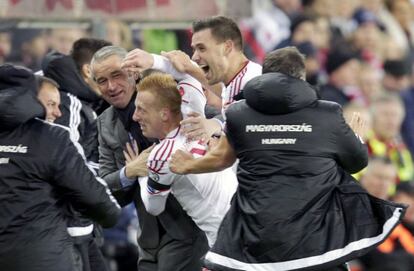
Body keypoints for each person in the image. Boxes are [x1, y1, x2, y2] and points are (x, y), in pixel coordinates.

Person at [170, 47, 406, 271]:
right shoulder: (329, 113)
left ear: (265, 75)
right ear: (301, 78)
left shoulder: (238, 114)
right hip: (316, 242)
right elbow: (357, 163)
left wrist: (189, 165)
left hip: (254, 240)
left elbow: (222, 158)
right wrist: (355, 137)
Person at [91, 45, 209, 271]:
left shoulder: (169, 97)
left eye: (117, 75)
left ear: (134, 72)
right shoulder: (105, 124)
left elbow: (211, 115)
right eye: (102, 80)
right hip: (148, 237)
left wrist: (212, 125)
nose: (111, 86)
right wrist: (130, 171)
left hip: (190, 231)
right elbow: (105, 188)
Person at [0, 64, 121, 271]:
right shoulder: (51, 137)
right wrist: (110, 214)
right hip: (42, 256)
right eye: (51, 104)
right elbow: (97, 199)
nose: (57, 112)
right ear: (31, 97)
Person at [131, 72, 237, 247]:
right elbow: (187, 71)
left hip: (226, 242)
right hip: (250, 219)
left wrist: (141, 173)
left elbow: (154, 207)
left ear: (164, 114)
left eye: (141, 109)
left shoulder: (161, 155)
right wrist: (153, 61)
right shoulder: (193, 110)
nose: (135, 116)